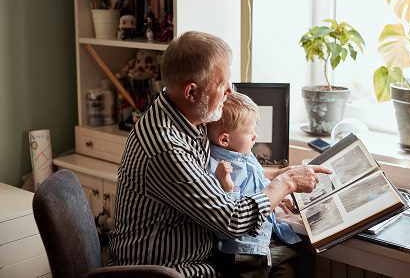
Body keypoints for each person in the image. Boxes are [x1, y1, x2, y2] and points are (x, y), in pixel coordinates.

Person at [108, 31, 331, 277]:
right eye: (221, 84)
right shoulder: (166, 147)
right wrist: (285, 183)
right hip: (171, 270)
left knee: (290, 260)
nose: (229, 91)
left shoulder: (189, 116)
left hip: (200, 257)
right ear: (191, 92)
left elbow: (216, 170)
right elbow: (233, 221)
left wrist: (274, 174)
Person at [207, 91, 301, 277]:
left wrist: (278, 197)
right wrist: (228, 188)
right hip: (243, 251)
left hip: (265, 241)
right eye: (250, 132)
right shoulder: (219, 169)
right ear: (225, 139)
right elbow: (225, 219)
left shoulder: (246, 154)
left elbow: (257, 181)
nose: (255, 136)